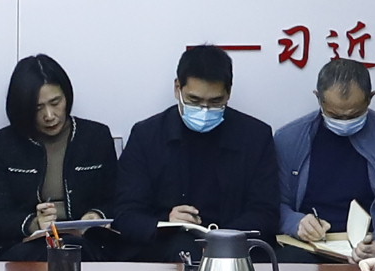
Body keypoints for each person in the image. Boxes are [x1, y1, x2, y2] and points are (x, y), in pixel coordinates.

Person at [0, 52, 117, 257]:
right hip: (26, 246)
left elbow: (118, 198)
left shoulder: (96, 137)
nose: (49, 116)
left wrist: (97, 215)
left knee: (76, 249)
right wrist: (33, 223)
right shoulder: (1, 145)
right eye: (37, 108)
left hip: (87, 244)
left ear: (67, 96)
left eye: (55, 102)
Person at [116, 43, 282, 238]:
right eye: (194, 100)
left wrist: (221, 238)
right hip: (165, 245)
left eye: (215, 102)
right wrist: (166, 223)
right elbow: (125, 213)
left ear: (228, 93)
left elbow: (266, 212)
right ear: (177, 88)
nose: (204, 110)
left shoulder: (255, 137)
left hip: (234, 245)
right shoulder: (146, 136)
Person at [276, 56, 375, 261]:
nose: (344, 121)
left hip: (369, 248)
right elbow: (274, 204)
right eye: (334, 115)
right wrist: (296, 223)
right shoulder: (289, 138)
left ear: (370, 98)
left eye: (354, 114)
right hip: (307, 248)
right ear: (318, 97)